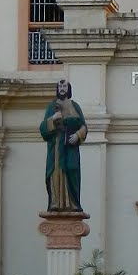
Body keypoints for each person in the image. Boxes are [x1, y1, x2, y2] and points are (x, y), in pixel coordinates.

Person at [41, 78, 88, 213]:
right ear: (57, 89)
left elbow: (84, 126)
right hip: (56, 146)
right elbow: (43, 128)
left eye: (65, 86)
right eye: (60, 87)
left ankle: (73, 203)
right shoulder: (52, 107)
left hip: (71, 147)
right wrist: (53, 119)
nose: (62, 89)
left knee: (72, 170)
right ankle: (56, 202)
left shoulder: (75, 106)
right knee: (56, 172)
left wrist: (77, 135)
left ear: (69, 89)